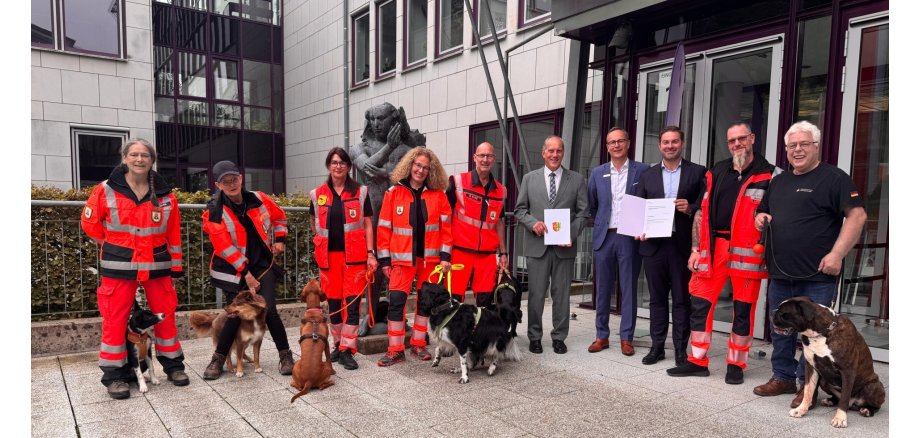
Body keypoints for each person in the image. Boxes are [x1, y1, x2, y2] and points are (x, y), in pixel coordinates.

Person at [752, 121, 867, 406]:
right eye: (792, 145)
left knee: (817, 336)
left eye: (804, 144)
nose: (798, 150)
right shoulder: (779, 181)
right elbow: (762, 212)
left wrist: (837, 254)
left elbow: (858, 216)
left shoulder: (834, 178)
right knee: (780, 328)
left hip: (818, 275)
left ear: (816, 146)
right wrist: (760, 218)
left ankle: (808, 388)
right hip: (780, 272)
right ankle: (782, 376)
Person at [667, 122, 778, 384]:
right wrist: (696, 248)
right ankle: (697, 360)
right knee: (700, 305)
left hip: (747, 252)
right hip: (713, 248)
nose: (737, 144)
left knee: (742, 309)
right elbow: (701, 212)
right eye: (732, 141)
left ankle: (736, 364)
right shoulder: (716, 171)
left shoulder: (770, 174)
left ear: (752, 138)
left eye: (742, 139)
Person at [81, 138, 188, 399]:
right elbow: (90, 225)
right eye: (134, 155)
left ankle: (173, 366)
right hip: (119, 266)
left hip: (158, 265)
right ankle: (115, 376)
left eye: (145, 155)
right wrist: (113, 244)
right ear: (124, 158)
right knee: (115, 319)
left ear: (152, 160)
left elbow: (173, 233)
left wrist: (175, 268)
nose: (139, 159)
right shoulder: (104, 190)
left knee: (165, 316)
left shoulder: (166, 195)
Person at [200, 161, 294, 379]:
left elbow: (280, 217)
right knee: (234, 314)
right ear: (218, 184)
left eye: (234, 179)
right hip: (233, 269)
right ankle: (218, 359)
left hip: (262, 264)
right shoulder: (214, 210)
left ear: (241, 178)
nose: (231, 184)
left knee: (269, 310)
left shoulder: (260, 198)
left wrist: (280, 239)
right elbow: (223, 246)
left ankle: (286, 355)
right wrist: (247, 275)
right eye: (226, 181)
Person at [635, 126, 707, 365]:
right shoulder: (647, 175)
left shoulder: (697, 173)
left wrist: (691, 208)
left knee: (681, 300)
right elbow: (639, 210)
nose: (670, 146)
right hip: (654, 247)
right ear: (660, 146)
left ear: (682, 144)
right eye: (665, 142)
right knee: (656, 299)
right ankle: (657, 347)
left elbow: (705, 208)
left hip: (682, 247)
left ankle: (679, 348)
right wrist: (639, 230)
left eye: (674, 142)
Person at [376, 147, 453, 366]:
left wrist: (445, 257)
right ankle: (395, 349)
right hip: (400, 260)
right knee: (396, 304)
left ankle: (418, 344)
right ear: (410, 165)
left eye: (425, 168)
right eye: (417, 165)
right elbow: (383, 229)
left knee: (424, 305)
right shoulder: (393, 193)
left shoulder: (439, 196)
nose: (420, 170)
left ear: (431, 171)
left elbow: (447, 229)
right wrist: (384, 261)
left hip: (430, 261)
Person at [514, 136, 590, 355]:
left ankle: (559, 337)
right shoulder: (529, 179)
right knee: (536, 295)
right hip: (537, 246)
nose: (555, 155)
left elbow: (583, 212)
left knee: (562, 294)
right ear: (543, 152)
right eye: (551, 151)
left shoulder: (576, 180)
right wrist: (532, 223)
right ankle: (535, 337)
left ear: (563, 153)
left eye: (559, 151)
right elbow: (520, 210)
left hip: (564, 247)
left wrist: (572, 234)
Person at [308, 148, 378, 370]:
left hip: (355, 259)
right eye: (334, 162)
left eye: (342, 163)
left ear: (349, 167)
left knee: (353, 305)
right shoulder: (316, 194)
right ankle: (338, 346)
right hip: (328, 261)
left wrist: (370, 253)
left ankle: (349, 349)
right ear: (328, 166)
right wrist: (319, 243)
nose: (338, 166)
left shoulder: (360, 192)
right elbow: (314, 222)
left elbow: (367, 224)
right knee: (334, 305)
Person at [586, 128, 649, 356]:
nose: (616, 145)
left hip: (629, 236)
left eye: (620, 141)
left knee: (629, 287)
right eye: (612, 142)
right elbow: (593, 204)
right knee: (602, 288)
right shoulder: (597, 173)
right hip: (605, 236)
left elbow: (648, 199)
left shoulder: (642, 170)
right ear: (607, 146)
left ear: (628, 143)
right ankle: (601, 335)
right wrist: (602, 221)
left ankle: (626, 338)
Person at [446, 142, 509, 306]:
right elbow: (444, 217)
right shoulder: (458, 182)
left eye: (489, 156)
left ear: (494, 159)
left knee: (485, 300)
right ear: (475, 158)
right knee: (453, 297)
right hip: (460, 251)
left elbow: (499, 223)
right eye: (482, 155)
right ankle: (454, 331)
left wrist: (503, 253)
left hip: (487, 255)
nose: (485, 159)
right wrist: (444, 251)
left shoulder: (501, 191)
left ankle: (481, 331)